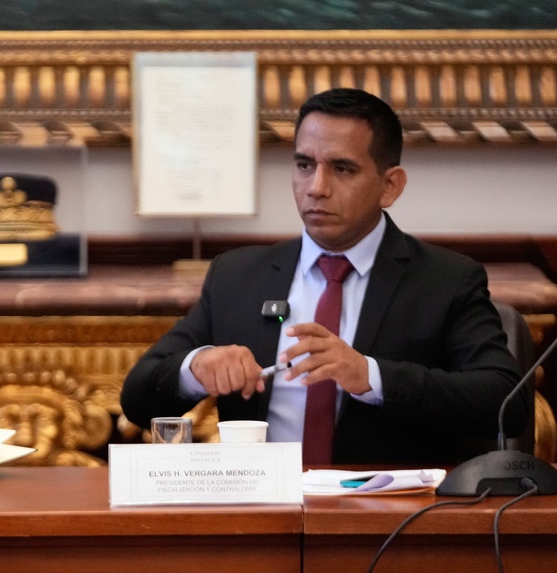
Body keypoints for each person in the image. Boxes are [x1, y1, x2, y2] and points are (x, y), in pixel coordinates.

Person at [120, 87, 529, 465]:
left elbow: (506, 402)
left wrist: (369, 375)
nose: (316, 187)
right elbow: (137, 399)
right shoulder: (238, 276)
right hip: (260, 514)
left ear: (390, 186)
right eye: (304, 165)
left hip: (388, 520)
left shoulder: (446, 280)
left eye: (342, 169)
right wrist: (195, 368)